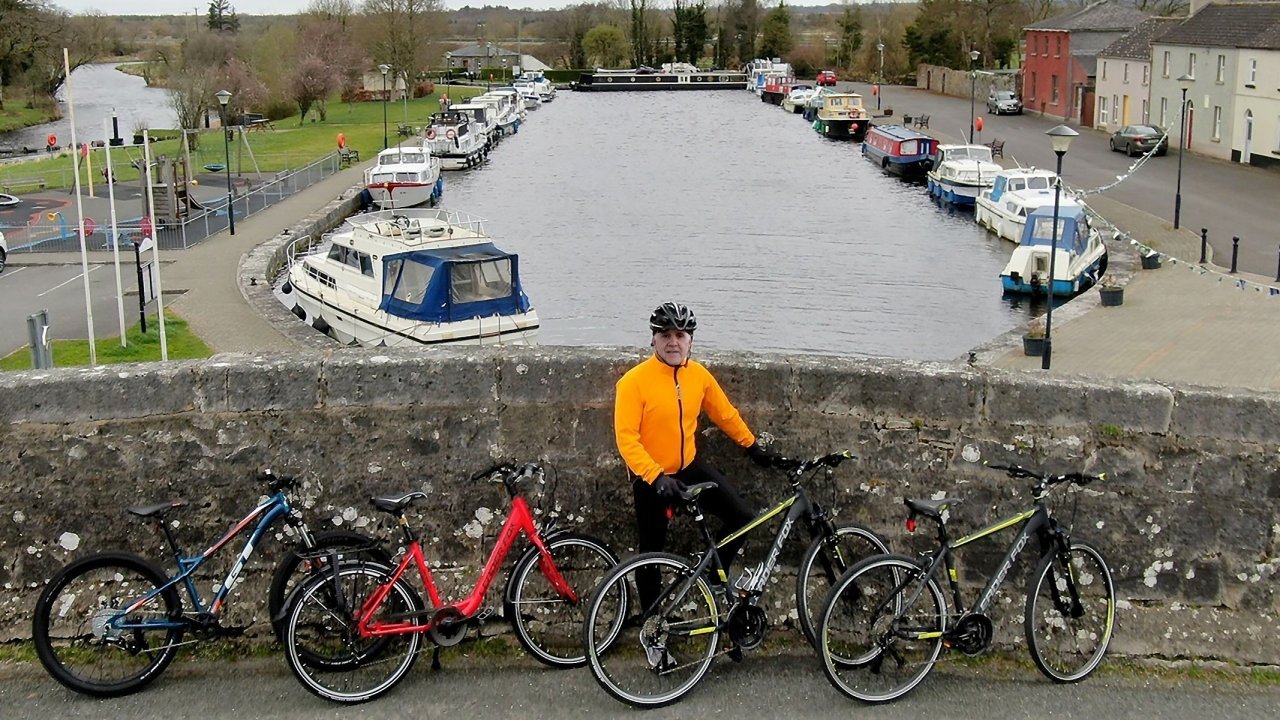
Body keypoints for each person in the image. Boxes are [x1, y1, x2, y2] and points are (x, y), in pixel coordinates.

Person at [614, 301, 782, 615]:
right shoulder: (633, 382)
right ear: (653, 339)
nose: (673, 342)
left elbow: (725, 414)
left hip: (689, 468)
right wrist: (656, 476)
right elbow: (626, 439)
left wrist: (751, 446)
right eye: (665, 334)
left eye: (680, 335)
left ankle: (715, 577)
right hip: (652, 478)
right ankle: (652, 624)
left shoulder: (699, 376)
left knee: (742, 517)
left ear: (690, 340)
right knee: (651, 554)